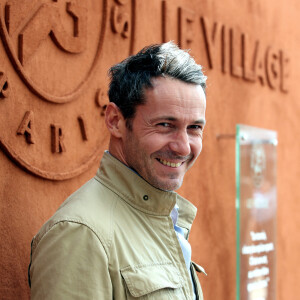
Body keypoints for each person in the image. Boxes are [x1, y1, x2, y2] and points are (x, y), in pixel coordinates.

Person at [28, 42, 207, 300]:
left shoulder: (165, 219)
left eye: (194, 128)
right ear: (115, 121)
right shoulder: (81, 233)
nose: (182, 147)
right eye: (165, 125)